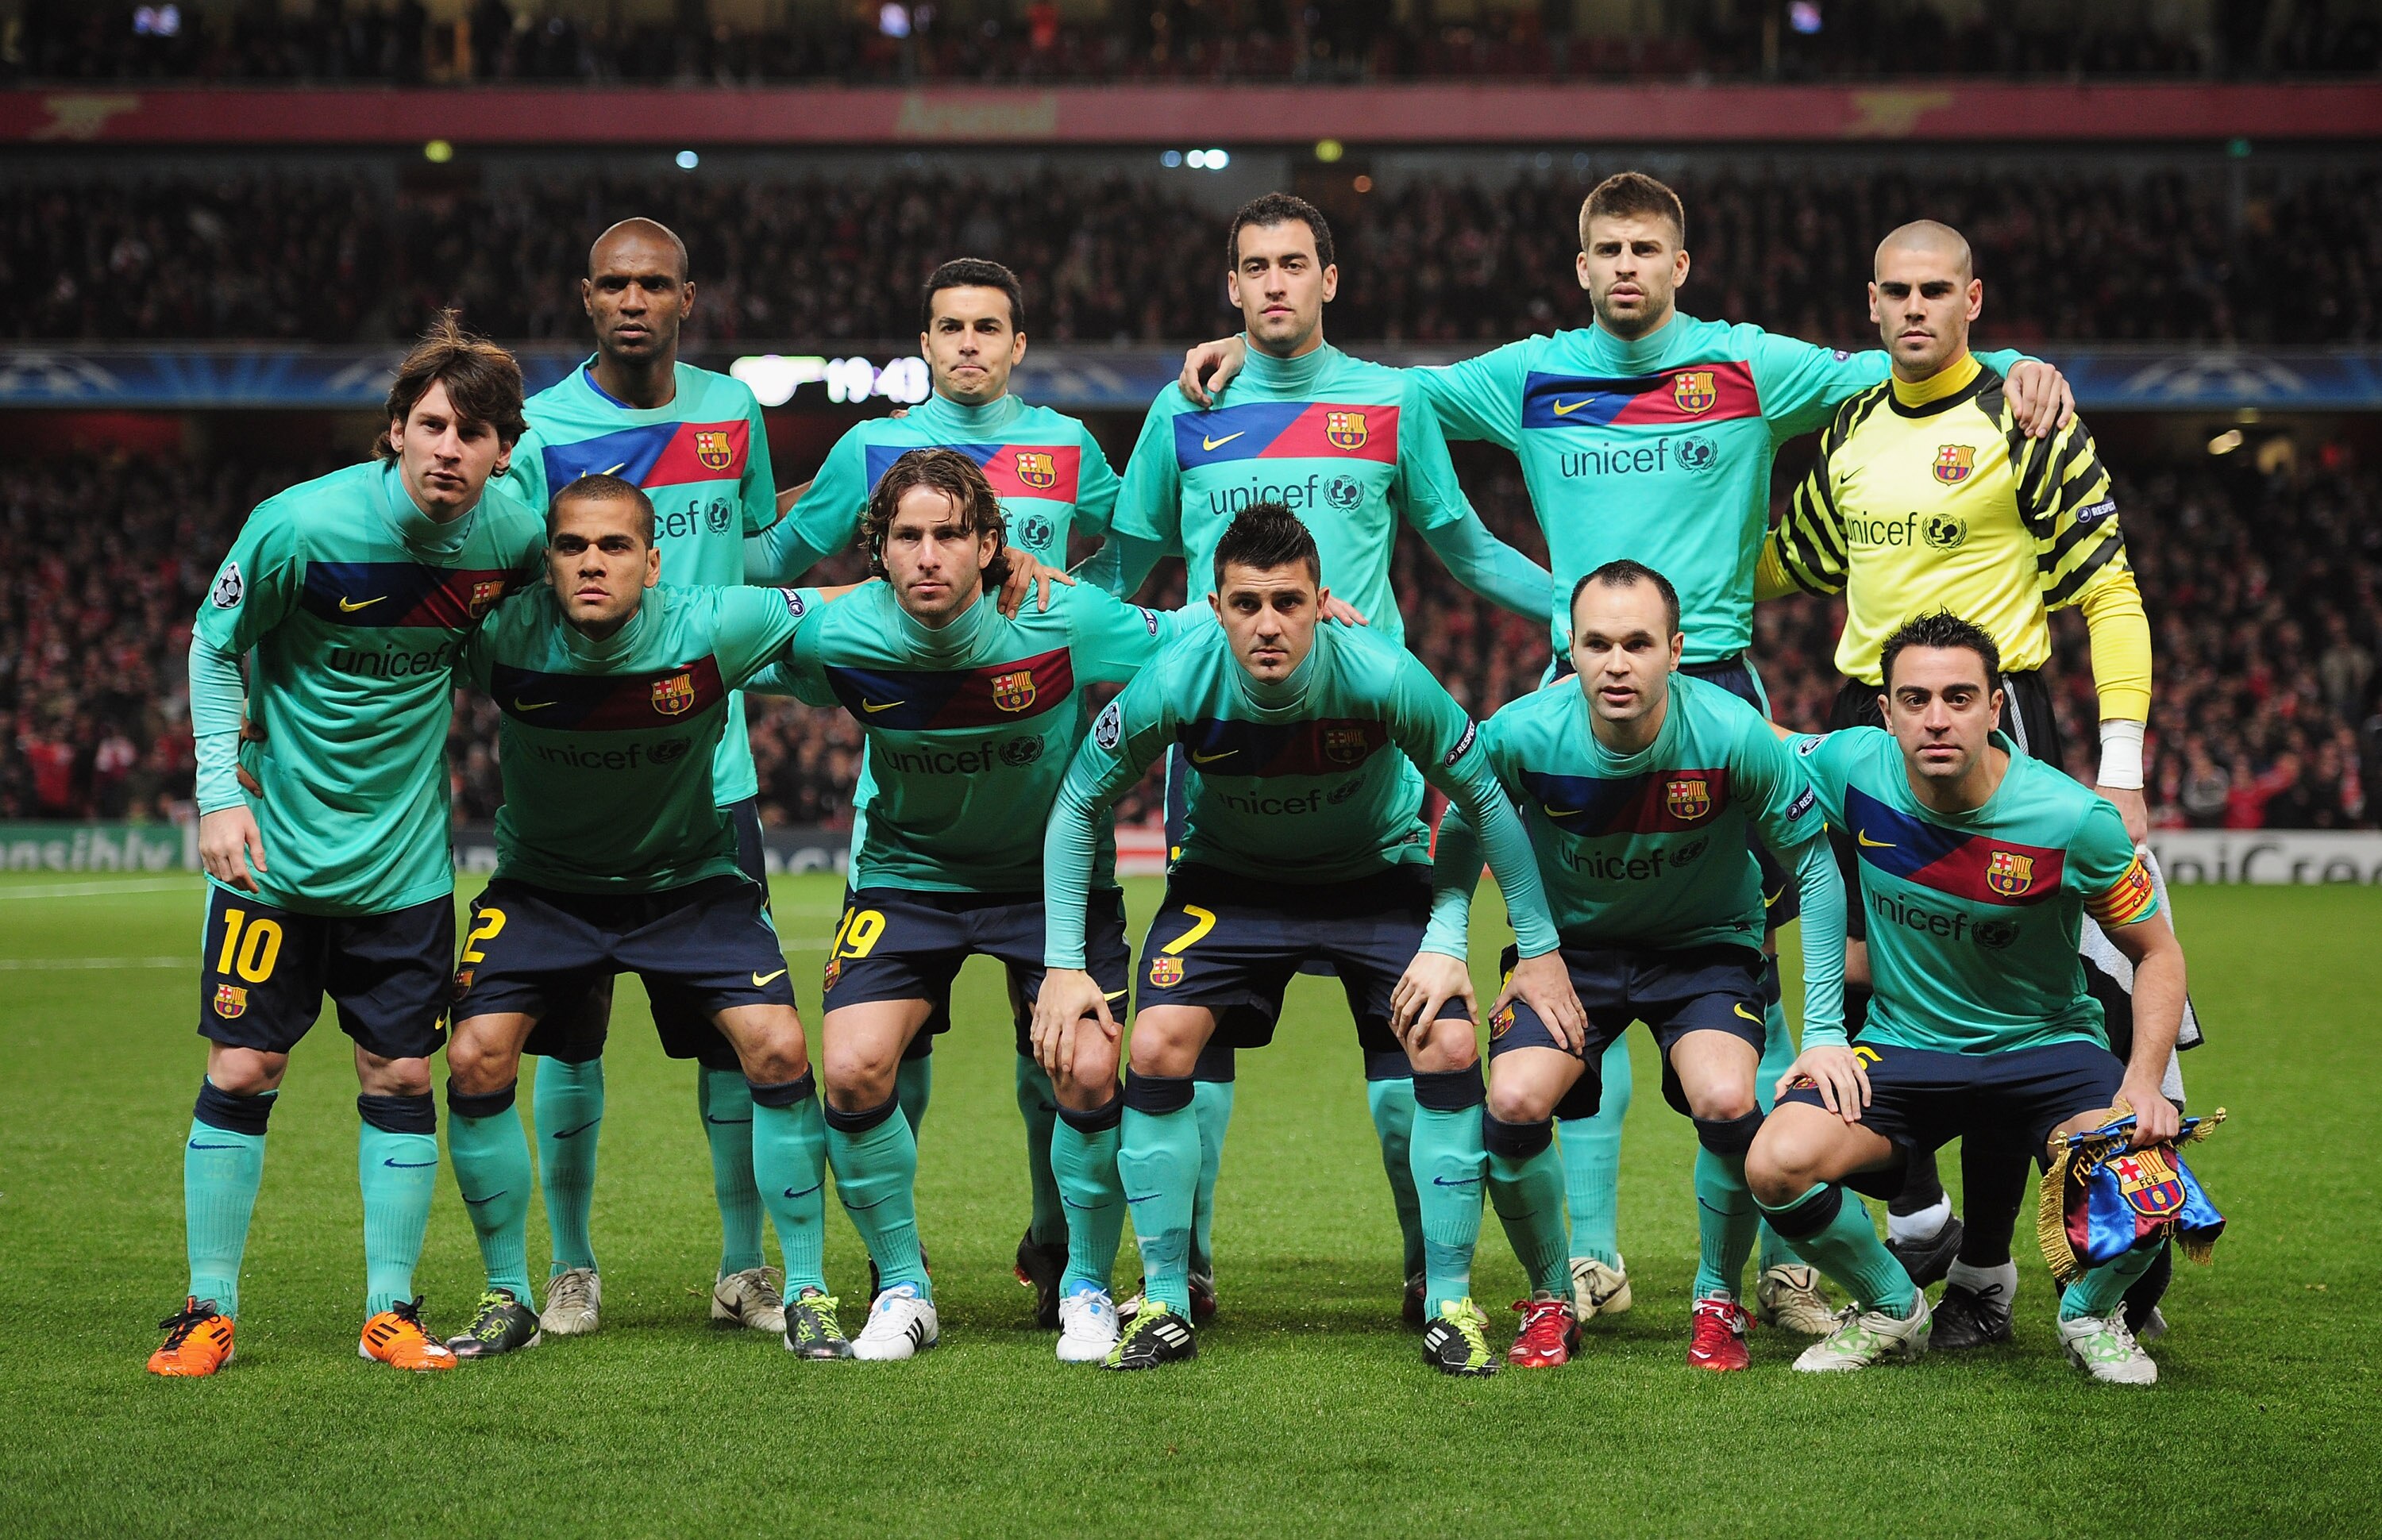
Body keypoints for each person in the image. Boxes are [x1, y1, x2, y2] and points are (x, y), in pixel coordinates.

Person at [1178, 172, 2076, 1333]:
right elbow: (1384, 396)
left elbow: (1911, 359)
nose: (1626, 267)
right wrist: (1255, 346)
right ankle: (1594, 1259)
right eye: (1606, 249)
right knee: (1583, 955)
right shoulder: (1531, 374)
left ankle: (1780, 1261)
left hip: (1715, 697)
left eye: (1646, 248)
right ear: (1581, 266)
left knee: (1739, 969)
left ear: (1681, 264)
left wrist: (2019, 370)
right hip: (1579, 695)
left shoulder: (1750, 365)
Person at [1109, 194, 1557, 1326]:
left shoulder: (1391, 402)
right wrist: (1038, 623)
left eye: (1293, 264)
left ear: (1329, 279)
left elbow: (1461, 545)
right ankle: (1184, 1273)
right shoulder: (1183, 410)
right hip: (1225, 792)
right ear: (1230, 286)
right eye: (1254, 266)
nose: (1273, 284)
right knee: (1181, 1045)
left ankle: (1429, 1273)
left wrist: (1587, 616)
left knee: (1415, 1055)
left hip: (1374, 784)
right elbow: (1125, 564)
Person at [1760, 218, 2193, 1344]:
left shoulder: (2027, 412)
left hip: (2008, 726)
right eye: (1895, 291)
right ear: (1869, 306)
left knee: (2056, 1000)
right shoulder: (1849, 424)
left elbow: (2109, 589)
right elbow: (1782, 560)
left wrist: (2123, 762)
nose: (1914, 308)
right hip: (1869, 726)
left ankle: (2011, 1275)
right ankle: (1920, 1214)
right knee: (1840, 971)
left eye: (1935, 290)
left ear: (1974, 300)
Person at [1034, 503, 1586, 1373]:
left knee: (1444, 1039)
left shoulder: (1378, 673)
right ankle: (1168, 1298)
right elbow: (1078, 801)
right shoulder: (1179, 677)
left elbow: (1482, 794)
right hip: (1231, 883)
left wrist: (1536, 942)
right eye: (1247, 602)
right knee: (1155, 1037)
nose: (1267, 624)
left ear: (1321, 601)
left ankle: (1448, 1299)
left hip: (1373, 874)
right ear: (1213, 605)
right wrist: (1066, 964)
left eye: (1287, 602)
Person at [747, 447, 1202, 1363]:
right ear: (877, 550)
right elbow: (711, 629)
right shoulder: (838, 635)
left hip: (1051, 882)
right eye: (907, 536)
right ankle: (904, 1286)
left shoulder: (1057, 616)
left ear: (990, 542)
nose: (927, 555)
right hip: (909, 878)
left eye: (949, 534)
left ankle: (1081, 1284)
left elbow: (1183, 635)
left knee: (1084, 1068)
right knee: (854, 1069)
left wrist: (1313, 615)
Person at [152, 314, 543, 1376]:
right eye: (432, 425)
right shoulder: (300, 526)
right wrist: (220, 790)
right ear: (395, 431)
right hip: (270, 858)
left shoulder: (510, 533)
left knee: (402, 1074)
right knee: (245, 1061)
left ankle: (390, 1314)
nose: (451, 449)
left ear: (503, 451)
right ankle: (207, 1312)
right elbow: (215, 641)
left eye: (474, 433)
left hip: (404, 869)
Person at [748, 258, 1119, 1324]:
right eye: (948, 326)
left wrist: (1070, 624)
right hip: (910, 816)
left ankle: (1060, 1249)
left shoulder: (1069, 448)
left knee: (1056, 1061)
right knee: (881, 1060)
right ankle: (892, 1273)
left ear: (1017, 343)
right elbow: (789, 551)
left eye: (987, 327)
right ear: (924, 341)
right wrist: (697, 557)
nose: (967, 343)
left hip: (1043, 799)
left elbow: (1135, 544)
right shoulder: (869, 450)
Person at [1401, 560, 1847, 1373]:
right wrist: (1446, 934)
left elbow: (1815, 868)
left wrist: (1823, 1029)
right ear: (1567, 650)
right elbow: (1463, 827)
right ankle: (1549, 1297)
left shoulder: (1733, 731)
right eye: (1597, 643)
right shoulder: (1522, 733)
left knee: (1723, 1096)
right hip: (1567, 957)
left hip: (1705, 945)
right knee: (1511, 1100)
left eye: (1637, 643)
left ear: (1675, 650)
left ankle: (1719, 1298)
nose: (1616, 663)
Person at [437, 473, 838, 1361]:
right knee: (473, 1055)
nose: (592, 563)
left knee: (776, 1044)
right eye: (573, 546)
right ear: (546, 561)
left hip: (689, 883)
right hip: (545, 889)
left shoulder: (708, 622)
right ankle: (509, 1291)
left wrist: (990, 571)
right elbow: (381, 646)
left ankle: (804, 1286)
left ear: (652, 562)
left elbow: (845, 604)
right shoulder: (502, 634)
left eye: (614, 547)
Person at [1748, 610, 2185, 1384]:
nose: (1937, 716)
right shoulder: (1854, 765)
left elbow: (2158, 953)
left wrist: (2143, 1080)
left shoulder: (2071, 819)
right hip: (1905, 1049)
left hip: (2045, 1049)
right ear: (1886, 712)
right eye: (1915, 698)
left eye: (1958, 696)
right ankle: (1891, 1305)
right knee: (1776, 1162)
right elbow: (1754, 738)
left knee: (2149, 1188)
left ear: (1995, 706)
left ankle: (2089, 1310)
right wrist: (1652, 682)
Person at [500, 217, 792, 1341]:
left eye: (655, 284)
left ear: (687, 299)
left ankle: (741, 1268)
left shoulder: (733, 413)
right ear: (587, 298)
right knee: (568, 1038)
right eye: (615, 284)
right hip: (574, 779)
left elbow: (755, 557)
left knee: (736, 1036)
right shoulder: (539, 433)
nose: (635, 300)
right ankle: (571, 1268)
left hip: (710, 778)